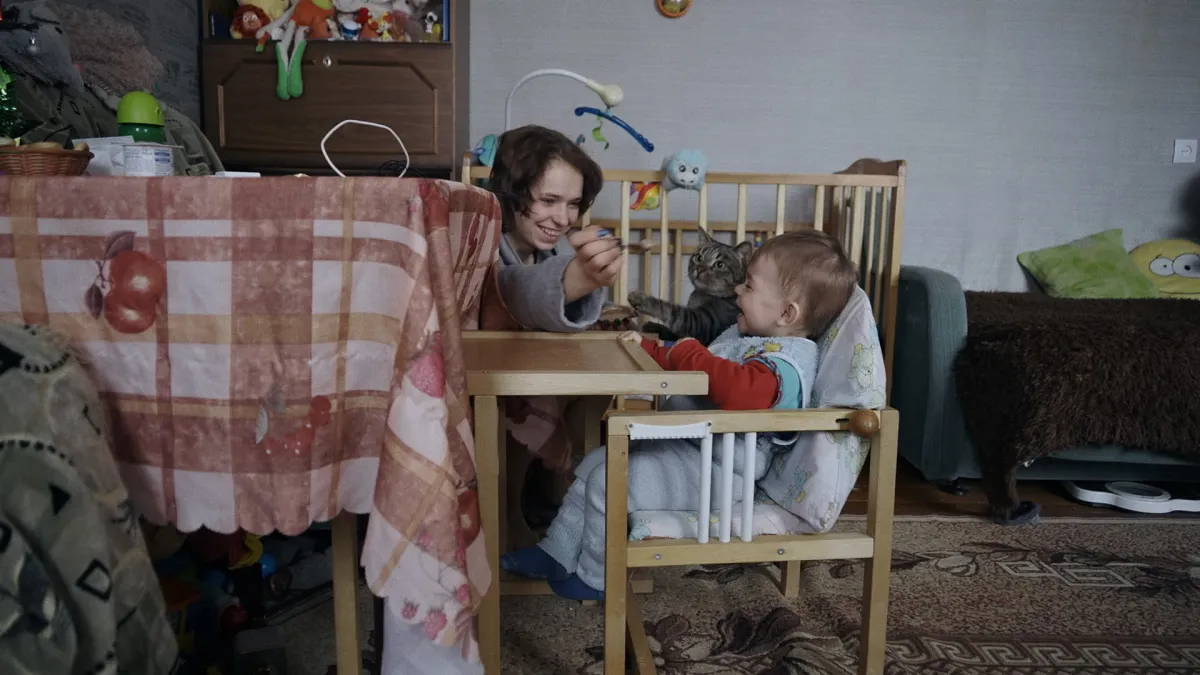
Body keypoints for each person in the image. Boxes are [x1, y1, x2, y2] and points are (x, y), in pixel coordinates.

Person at [499, 229, 859, 600]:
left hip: (719, 474)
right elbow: (693, 363)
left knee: (610, 481)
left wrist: (688, 350)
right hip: (690, 454)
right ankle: (556, 551)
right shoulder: (749, 338)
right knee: (595, 463)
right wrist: (650, 351)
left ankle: (596, 576)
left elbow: (736, 389)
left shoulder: (787, 362)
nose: (737, 289)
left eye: (749, 286)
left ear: (787, 313)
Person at [486, 124, 624, 333]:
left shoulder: (556, 250)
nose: (563, 219)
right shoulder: (479, 251)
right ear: (513, 194)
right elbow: (509, 289)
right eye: (548, 201)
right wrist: (579, 277)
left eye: (573, 204)